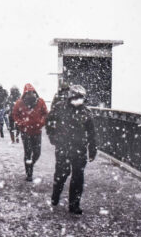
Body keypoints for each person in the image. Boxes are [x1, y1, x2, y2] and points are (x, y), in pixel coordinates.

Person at [46, 84, 98, 214]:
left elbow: (92, 133)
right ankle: (55, 194)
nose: (79, 100)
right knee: (61, 173)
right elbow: (49, 121)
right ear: (70, 96)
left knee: (78, 177)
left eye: (81, 97)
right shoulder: (59, 108)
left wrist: (92, 149)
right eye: (76, 97)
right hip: (63, 146)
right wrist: (52, 136)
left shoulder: (86, 113)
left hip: (79, 149)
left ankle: (74, 204)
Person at [12, 83, 48, 181]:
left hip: (37, 131)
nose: (30, 95)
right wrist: (21, 123)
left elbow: (45, 114)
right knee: (28, 152)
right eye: (28, 93)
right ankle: (29, 173)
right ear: (25, 94)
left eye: (31, 93)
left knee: (37, 153)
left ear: (35, 92)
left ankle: (30, 164)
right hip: (25, 132)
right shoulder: (19, 103)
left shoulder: (40, 102)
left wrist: (41, 122)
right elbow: (15, 115)